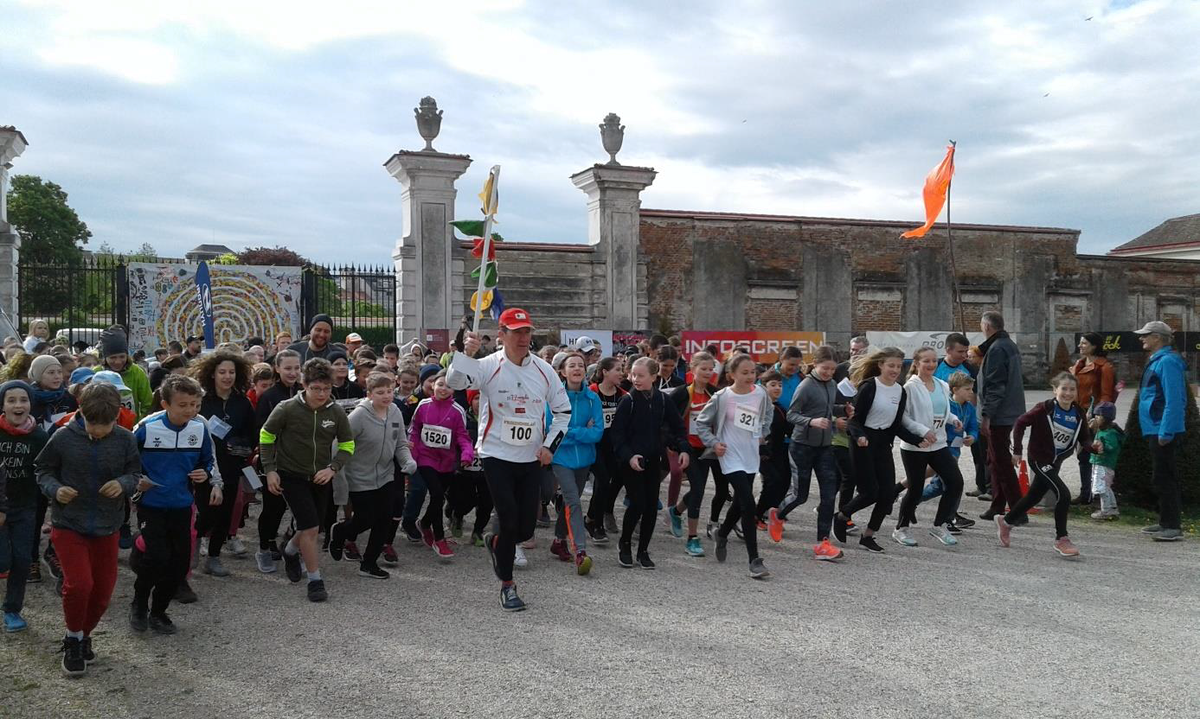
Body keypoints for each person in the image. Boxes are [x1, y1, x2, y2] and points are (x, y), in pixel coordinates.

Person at [448, 308, 571, 612]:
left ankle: (496, 542)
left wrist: (548, 446)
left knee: (525, 529)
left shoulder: (544, 370)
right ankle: (508, 585)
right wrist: (466, 354)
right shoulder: (488, 365)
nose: (523, 338)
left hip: (531, 457)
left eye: (527, 332)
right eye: (516, 332)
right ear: (501, 335)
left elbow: (563, 412)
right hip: (496, 454)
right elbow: (456, 382)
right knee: (508, 517)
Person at [35, 383, 142, 677]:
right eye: (94, 425)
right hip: (69, 523)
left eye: (107, 425)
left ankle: (84, 634)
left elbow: (135, 473)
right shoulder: (62, 437)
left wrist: (123, 483)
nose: (99, 431)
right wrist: (55, 490)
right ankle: (72, 639)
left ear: (117, 417)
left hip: (108, 525)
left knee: (103, 592)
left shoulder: (124, 439)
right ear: (81, 412)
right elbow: (42, 470)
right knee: (79, 585)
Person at [129, 375, 219, 634]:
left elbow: (206, 460)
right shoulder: (147, 427)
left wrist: (204, 473)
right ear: (165, 404)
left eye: (194, 404)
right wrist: (138, 480)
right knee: (157, 557)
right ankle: (139, 604)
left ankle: (159, 611)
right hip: (152, 504)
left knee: (179, 564)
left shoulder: (199, 428)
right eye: (183, 405)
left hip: (181, 505)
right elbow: (128, 460)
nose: (190, 410)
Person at [260, 358, 355, 602]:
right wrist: (270, 469)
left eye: (326, 389)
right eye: (316, 388)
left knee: (312, 525)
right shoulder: (287, 408)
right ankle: (315, 581)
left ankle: (290, 550)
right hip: (291, 476)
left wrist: (333, 469)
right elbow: (266, 435)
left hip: (321, 477)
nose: (322, 394)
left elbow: (347, 444)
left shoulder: (335, 412)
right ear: (304, 385)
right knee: (311, 528)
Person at [833, 347, 928, 553]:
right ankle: (841, 516)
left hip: (883, 443)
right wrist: (859, 436)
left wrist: (917, 439)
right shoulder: (869, 386)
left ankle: (868, 536)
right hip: (863, 442)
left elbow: (896, 425)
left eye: (898, 366)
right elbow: (854, 421)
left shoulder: (900, 391)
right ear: (880, 366)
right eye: (890, 365)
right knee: (870, 493)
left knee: (886, 494)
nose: (894, 370)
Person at [330, 373, 417, 580]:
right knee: (365, 519)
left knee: (384, 519)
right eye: (380, 392)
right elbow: (340, 443)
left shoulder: (395, 411)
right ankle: (341, 532)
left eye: (389, 391)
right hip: (360, 476)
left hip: (386, 475)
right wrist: (337, 470)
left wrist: (407, 461)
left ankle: (369, 563)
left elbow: (400, 442)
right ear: (369, 394)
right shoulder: (358, 416)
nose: (386, 396)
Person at [996, 372, 1091, 557]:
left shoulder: (1078, 413)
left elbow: (1084, 439)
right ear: (1055, 390)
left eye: (1072, 390)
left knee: (1033, 497)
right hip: (1039, 459)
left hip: (1056, 461)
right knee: (1063, 494)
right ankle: (1061, 539)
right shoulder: (1044, 409)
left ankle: (1005, 522)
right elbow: (1021, 423)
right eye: (1064, 389)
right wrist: (1017, 450)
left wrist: (1094, 447)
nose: (1068, 393)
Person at [611, 356, 690, 571]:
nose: (635, 379)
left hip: (653, 461)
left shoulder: (663, 401)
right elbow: (617, 436)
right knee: (637, 503)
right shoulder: (628, 401)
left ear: (654, 377)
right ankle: (625, 544)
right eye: (633, 374)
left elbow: (677, 427)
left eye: (640, 375)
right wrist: (629, 456)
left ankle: (643, 549)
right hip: (632, 462)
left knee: (651, 507)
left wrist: (683, 449)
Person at [694, 354, 770, 578]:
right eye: (744, 373)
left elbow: (768, 417)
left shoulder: (760, 394)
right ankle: (754, 560)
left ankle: (723, 533)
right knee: (748, 503)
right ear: (732, 375)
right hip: (729, 455)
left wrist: (762, 433)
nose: (749, 376)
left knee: (739, 502)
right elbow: (702, 423)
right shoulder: (722, 397)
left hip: (750, 455)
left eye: (753, 372)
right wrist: (714, 443)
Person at [776, 346, 847, 560]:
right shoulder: (805, 385)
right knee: (800, 495)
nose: (828, 373)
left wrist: (842, 410)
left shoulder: (832, 384)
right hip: (802, 446)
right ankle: (776, 514)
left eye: (832, 370)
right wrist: (812, 422)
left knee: (828, 495)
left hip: (825, 446)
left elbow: (826, 408)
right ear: (815, 364)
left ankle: (823, 544)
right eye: (825, 368)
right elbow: (792, 415)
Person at [190, 351, 255, 576]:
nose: (227, 377)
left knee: (225, 513)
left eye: (231, 372)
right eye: (222, 372)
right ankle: (194, 545)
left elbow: (252, 432)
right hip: (204, 465)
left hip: (231, 465)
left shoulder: (242, 402)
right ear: (212, 374)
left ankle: (214, 557)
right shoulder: (203, 401)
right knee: (206, 511)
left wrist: (241, 443)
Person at [893, 347, 965, 548]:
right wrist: (922, 431)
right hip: (916, 446)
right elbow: (903, 418)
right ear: (916, 363)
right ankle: (901, 529)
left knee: (955, 482)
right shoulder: (909, 387)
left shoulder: (942, 385)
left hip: (939, 444)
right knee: (915, 490)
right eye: (926, 361)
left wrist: (954, 420)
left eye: (934, 361)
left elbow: (943, 411)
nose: (931, 365)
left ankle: (939, 525)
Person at [0, 381, 50, 632]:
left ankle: (12, 609)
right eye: (11, 400)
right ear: (3, 405)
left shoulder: (40, 436)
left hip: (25, 507)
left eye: (23, 399)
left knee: (21, 559)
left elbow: (46, 471)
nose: (18, 405)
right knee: (2, 560)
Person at [408, 371, 473, 561]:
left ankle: (425, 523)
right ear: (433, 386)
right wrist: (412, 454)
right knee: (436, 495)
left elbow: (462, 436)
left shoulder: (457, 410)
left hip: (446, 462)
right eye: (440, 384)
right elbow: (414, 430)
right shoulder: (423, 405)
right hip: (425, 458)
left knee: (439, 498)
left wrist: (467, 453)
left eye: (449, 386)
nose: (444, 389)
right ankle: (439, 538)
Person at [1133, 321, 1187, 542]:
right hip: (1155, 427)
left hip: (1161, 429)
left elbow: (1175, 399)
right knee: (1161, 476)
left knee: (1165, 477)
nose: (1141, 338)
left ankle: (1172, 526)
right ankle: (1166, 521)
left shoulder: (1167, 362)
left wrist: (1167, 431)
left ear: (1157, 337)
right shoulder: (1160, 360)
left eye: (1146, 335)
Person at [548, 354, 602, 575]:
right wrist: (582, 431)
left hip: (585, 460)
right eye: (572, 366)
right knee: (573, 502)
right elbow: (551, 430)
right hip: (561, 459)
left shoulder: (593, 399)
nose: (577, 369)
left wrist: (569, 431)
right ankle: (580, 551)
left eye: (581, 365)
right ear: (563, 371)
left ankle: (559, 540)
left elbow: (597, 433)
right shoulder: (553, 398)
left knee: (573, 502)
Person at [252, 349, 301, 573]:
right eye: (288, 368)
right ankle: (263, 547)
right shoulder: (269, 397)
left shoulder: (304, 392)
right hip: (275, 461)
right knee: (274, 508)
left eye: (296, 368)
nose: (292, 373)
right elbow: (262, 432)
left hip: (300, 461)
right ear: (277, 369)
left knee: (300, 509)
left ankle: (290, 544)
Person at [28, 355, 76, 585]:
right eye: (50, 372)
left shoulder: (69, 399)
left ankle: (54, 553)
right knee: (35, 513)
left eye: (59, 372)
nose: (57, 376)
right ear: (37, 375)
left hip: (61, 465)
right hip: (32, 466)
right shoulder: (26, 398)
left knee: (62, 512)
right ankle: (31, 559)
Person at [975, 311, 1026, 522]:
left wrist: (987, 415)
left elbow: (996, 386)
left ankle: (1018, 510)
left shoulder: (997, 349)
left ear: (986, 326)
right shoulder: (1007, 345)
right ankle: (997, 505)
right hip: (1007, 410)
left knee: (1001, 462)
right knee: (995, 460)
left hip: (999, 414)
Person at [667, 351, 717, 556]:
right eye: (703, 369)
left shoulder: (714, 394)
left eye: (710, 369)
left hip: (705, 448)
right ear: (692, 370)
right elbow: (669, 421)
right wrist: (675, 445)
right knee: (697, 491)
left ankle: (676, 511)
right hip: (687, 448)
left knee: (699, 489)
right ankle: (692, 539)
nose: (707, 372)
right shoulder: (681, 393)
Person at [1071, 332, 1117, 504]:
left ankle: (1089, 494)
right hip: (1076, 414)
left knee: (1088, 455)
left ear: (1094, 346)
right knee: (1080, 454)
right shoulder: (1079, 364)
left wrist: (1099, 418)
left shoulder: (1104, 367)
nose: (1080, 346)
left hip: (1092, 417)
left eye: (1084, 343)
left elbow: (1106, 395)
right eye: (1080, 343)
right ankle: (1086, 493)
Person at [586, 357, 627, 543]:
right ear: (605, 372)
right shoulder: (591, 392)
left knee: (605, 484)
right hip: (594, 445)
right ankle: (597, 524)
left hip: (613, 447)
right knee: (602, 481)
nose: (622, 373)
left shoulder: (623, 396)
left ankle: (591, 517)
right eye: (618, 369)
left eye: (622, 369)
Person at [96, 327, 154, 419]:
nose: (118, 362)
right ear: (105, 358)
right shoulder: (96, 373)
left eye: (122, 356)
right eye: (113, 358)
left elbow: (148, 403)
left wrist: (139, 423)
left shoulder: (137, 372)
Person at [1088, 402, 1122, 520]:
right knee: (1106, 486)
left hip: (1104, 463)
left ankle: (1105, 511)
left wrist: (1102, 445)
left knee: (1101, 487)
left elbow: (1111, 447)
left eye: (1098, 417)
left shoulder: (1109, 433)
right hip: (1100, 462)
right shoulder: (1101, 431)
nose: (1096, 418)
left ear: (1106, 419)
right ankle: (1112, 508)